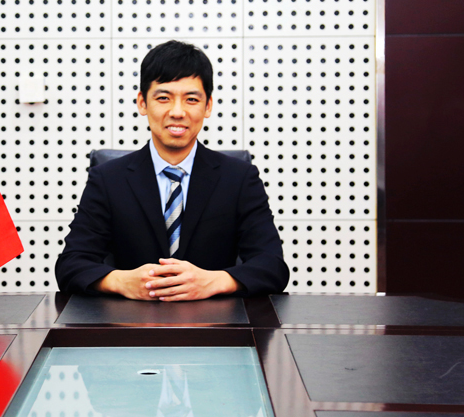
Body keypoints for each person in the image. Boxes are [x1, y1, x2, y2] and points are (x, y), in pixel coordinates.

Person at [55, 40, 289, 301]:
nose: (178, 112)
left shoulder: (239, 178)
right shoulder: (108, 179)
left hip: (217, 320)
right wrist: (122, 281)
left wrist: (213, 281)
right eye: (163, 98)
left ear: (208, 106)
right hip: (129, 320)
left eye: (191, 99)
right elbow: (71, 265)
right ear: (142, 103)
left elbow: (272, 266)